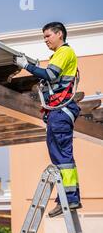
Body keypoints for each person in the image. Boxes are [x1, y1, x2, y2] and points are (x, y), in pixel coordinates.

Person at [15, 22, 82, 218]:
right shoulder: (61, 55)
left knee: (62, 157)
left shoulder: (64, 52)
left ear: (59, 34)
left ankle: (69, 198)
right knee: (62, 158)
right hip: (59, 113)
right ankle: (68, 198)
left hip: (61, 112)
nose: (45, 40)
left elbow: (50, 74)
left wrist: (26, 66)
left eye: (47, 36)